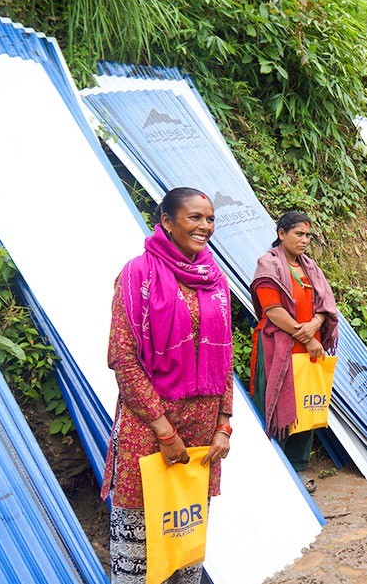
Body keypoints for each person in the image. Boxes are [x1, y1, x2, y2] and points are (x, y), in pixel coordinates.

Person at [102, 187, 234, 583]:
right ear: (167, 222)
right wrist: (164, 430)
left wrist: (224, 423)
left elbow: (224, 356)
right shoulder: (138, 274)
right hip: (149, 431)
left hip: (201, 435)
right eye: (194, 217)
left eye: (209, 219)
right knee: (140, 556)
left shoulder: (215, 279)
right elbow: (123, 357)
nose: (205, 226)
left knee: (184, 545)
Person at [250, 211, 339, 495]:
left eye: (308, 235)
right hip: (277, 347)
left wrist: (315, 325)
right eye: (298, 234)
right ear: (281, 233)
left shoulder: (310, 267)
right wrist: (306, 336)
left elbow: (324, 305)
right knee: (275, 405)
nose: (304, 240)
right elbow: (273, 311)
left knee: (307, 406)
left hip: (309, 347)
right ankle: (273, 467)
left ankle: (298, 468)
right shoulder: (269, 265)